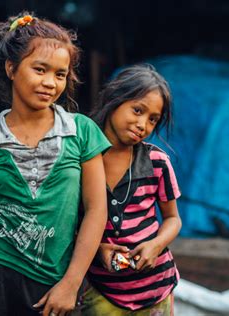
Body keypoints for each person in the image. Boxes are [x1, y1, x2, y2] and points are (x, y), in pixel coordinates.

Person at [0, 12, 110, 316]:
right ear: (11, 68)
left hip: (54, 284)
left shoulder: (81, 131)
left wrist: (71, 283)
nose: (50, 82)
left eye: (60, 75)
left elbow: (96, 211)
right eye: (39, 69)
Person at [81, 64, 182, 315]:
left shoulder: (157, 162)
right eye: (137, 111)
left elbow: (173, 219)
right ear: (114, 100)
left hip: (157, 289)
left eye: (152, 120)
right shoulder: (78, 160)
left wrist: (157, 244)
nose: (142, 125)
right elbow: (68, 223)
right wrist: (98, 250)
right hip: (103, 290)